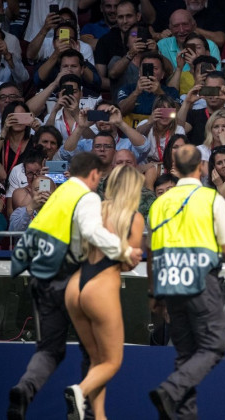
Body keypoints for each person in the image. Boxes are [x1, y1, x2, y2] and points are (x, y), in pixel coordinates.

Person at [8, 152, 143, 419]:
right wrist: (124, 251)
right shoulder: (91, 200)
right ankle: (84, 401)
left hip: (46, 279)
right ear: (93, 174)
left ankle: (27, 388)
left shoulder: (60, 194)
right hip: (80, 281)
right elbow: (95, 235)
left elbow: (37, 231)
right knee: (102, 357)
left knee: (50, 350)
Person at [148, 144, 225, 420]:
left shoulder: (160, 203)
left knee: (185, 355)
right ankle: (171, 389)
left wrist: (154, 293)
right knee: (215, 345)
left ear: (175, 169)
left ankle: (180, 416)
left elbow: (153, 253)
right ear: (202, 168)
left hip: (170, 281)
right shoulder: (210, 198)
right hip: (202, 279)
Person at [63, 165, 145, 420]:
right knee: (112, 362)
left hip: (75, 285)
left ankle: (98, 417)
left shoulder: (93, 209)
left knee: (97, 361)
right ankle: (79, 390)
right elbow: (126, 262)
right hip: (101, 286)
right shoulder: (134, 217)